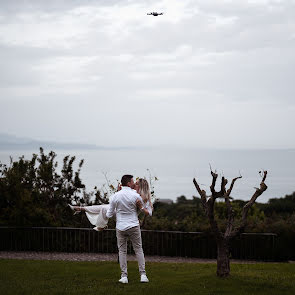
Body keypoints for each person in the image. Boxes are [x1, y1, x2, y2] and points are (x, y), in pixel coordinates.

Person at [106, 175, 152, 284]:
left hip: (120, 227)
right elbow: (143, 208)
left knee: (122, 251)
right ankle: (143, 275)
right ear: (128, 183)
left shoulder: (115, 196)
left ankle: (124, 276)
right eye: (132, 181)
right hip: (133, 225)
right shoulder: (136, 196)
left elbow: (109, 214)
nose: (133, 183)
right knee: (138, 250)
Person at [68, 177, 152, 232]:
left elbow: (149, 213)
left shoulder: (144, 199)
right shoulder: (131, 192)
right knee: (103, 207)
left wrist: (141, 207)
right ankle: (80, 208)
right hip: (121, 211)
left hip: (127, 217)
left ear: (141, 186)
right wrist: (119, 192)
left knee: (104, 209)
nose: (134, 184)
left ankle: (102, 226)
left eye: (136, 183)